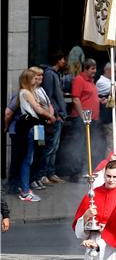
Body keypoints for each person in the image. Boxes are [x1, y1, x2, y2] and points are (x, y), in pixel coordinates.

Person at [14, 69, 56, 201]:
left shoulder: (30, 92)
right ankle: (25, 191)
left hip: (37, 127)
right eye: (34, 77)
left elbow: (43, 106)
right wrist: (50, 115)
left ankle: (28, 185)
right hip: (32, 127)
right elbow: (37, 109)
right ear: (27, 80)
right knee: (29, 158)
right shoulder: (26, 92)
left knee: (35, 156)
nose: (37, 79)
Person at [70, 58, 105, 180]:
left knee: (89, 145)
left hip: (92, 118)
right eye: (92, 69)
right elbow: (76, 99)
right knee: (79, 145)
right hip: (82, 119)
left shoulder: (91, 81)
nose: (94, 72)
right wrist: (83, 116)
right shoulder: (79, 80)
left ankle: (85, 170)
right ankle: (75, 174)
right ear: (85, 68)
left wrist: (100, 100)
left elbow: (90, 98)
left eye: (95, 69)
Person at [41, 50, 68, 184]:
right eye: (63, 59)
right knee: (50, 146)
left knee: (54, 146)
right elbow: (49, 97)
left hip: (58, 114)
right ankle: (44, 174)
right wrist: (56, 114)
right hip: (54, 115)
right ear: (58, 60)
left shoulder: (55, 74)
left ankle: (50, 173)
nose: (65, 61)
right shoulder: (49, 74)